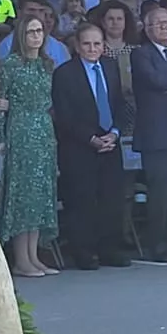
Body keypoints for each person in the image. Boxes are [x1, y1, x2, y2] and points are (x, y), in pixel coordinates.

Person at [52, 23, 132, 270]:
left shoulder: (110, 67)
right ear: (77, 46)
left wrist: (115, 133)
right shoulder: (65, 73)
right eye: (86, 44)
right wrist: (91, 138)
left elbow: (120, 104)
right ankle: (84, 252)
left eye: (97, 43)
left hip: (110, 143)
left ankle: (110, 249)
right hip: (79, 147)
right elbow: (64, 114)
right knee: (82, 201)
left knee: (112, 199)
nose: (92, 48)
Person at [0, 16, 59, 278]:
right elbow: (1, 103)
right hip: (21, 129)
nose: (36, 35)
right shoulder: (10, 65)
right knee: (23, 195)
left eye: (40, 31)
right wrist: (1, 135)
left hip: (43, 128)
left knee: (40, 195)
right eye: (31, 31)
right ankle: (21, 259)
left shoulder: (46, 65)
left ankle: (34, 256)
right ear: (22, 35)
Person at [132, 7, 167, 262]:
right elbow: (157, 81)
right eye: (159, 24)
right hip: (157, 137)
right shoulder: (141, 54)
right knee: (159, 194)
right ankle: (157, 244)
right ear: (147, 29)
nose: (166, 27)